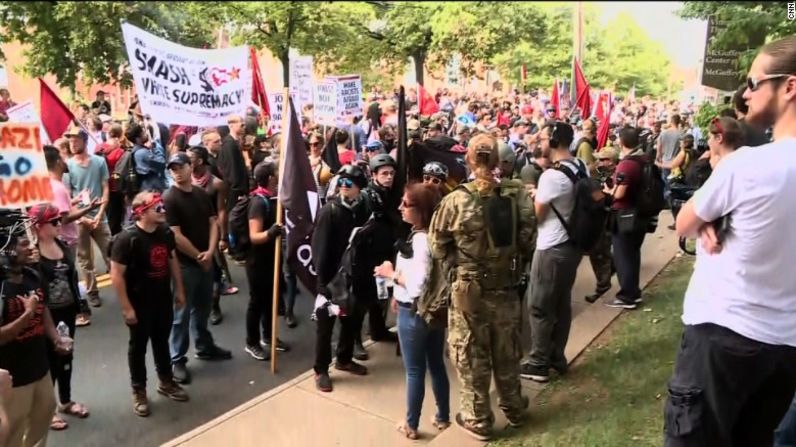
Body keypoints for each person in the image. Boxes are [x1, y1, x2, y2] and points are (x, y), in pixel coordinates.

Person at [668, 36, 796, 447]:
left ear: (789, 86)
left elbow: (685, 222)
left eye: (754, 82)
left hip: (723, 337)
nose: (745, 92)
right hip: (784, 348)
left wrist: (711, 215)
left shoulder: (748, 164)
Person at [428, 134, 535, 441]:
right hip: (507, 287)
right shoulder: (517, 197)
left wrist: (464, 263)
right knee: (507, 350)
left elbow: (437, 247)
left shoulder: (456, 200)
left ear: (470, 161)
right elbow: (528, 241)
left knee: (471, 355)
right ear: (499, 160)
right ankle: (514, 407)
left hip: (469, 294)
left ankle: (477, 419)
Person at [374, 184, 448, 440]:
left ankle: (411, 424)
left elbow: (416, 285)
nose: (400, 208)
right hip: (432, 313)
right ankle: (443, 416)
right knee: (436, 364)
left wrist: (390, 274)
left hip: (414, 314)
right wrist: (397, 291)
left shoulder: (420, 241)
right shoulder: (433, 236)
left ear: (421, 210)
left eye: (406, 204)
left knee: (415, 371)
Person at [110, 192, 189, 417]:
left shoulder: (165, 233)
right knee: (138, 347)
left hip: (162, 298)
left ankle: (166, 381)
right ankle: (139, 390)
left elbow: (172, 259)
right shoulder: (127, 239)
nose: (163, 211)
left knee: (161, 341)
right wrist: (127, 308)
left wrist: (180, 290)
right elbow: (116, 274)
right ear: (142, 212)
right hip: (139, 302)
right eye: (158, 208)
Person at [521, 122, 585, 383]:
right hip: (572, 246)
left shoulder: (551, 175)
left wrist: (533, 199)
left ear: (555, 141)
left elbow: (538, 215)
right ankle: (557, 356)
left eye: (544, 137)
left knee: (539, 305)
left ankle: (538, 362)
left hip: (551, 248)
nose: (540, 142)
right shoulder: (578, 165)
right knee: (561, 303)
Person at [163, 153, 231, 385]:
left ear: (190, 167)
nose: (176, 172)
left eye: (180, 167)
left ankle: (204, 345)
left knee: (202, 309)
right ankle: (177, 358)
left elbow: (213, 222)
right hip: (185, 265)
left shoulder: (201, 194)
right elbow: (175, 234)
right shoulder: (170, 198)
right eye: (172, 168)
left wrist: (211, 251)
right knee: (181, 314)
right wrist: (198, 255)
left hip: (205, 260)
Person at [0, 224, 71, 447]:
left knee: (44, 414)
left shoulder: (32, 275)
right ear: (5, 252)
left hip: (40, 368)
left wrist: (55, 338)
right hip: (14, 379)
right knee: (13, 428)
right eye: (23, 244)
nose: (30, 247)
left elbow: (44, 310)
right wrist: (27, 314)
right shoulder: (1, 289)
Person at [28, 204, 90, 431]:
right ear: (39, 226)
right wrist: (30, 264)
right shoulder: (31, 253)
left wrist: (81, 305)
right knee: (48, 362)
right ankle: (48, 409)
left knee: (66, 355)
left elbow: (73, 277)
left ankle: (65, 400)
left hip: (67, 310)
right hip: (46, 314)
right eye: (53, 222)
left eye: (58, 220)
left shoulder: (62, 245)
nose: (59, 224)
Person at [311, 165, 371, 392]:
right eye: (341, 182)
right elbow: (320, 249)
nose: (344, 187)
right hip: (332, 278)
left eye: (350, 183)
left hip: (355, 276)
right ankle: (321, 369)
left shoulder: (364, 208)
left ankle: (344, 359)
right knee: (325, 326)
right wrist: (322, 283)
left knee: (352, 321)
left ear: (359, 188)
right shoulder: (330, 211)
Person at [45, 145, 98, 327]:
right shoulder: (58, 187)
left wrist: (76, 200)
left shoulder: (54, 186)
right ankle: (78, 312)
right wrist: (88, 208)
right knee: (69, 276)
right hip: (65, 239)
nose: (65, 159)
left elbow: (62, 208)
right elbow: (64, 217)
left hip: (63, 239)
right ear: (58, 161)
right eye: (62, 156)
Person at [243, 162, 289, 361]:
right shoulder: (258, 202)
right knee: (257, 302)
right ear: (270, 178)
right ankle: (252, 342)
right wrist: (271, 233)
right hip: (257, 262)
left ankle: (268, 336)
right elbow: (254, 236)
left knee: (271, 299)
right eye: (276, 173)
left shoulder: (271, 200)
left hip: (272, 257)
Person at [64, 124, 111, 308]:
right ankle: (92, 292)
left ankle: (125, 286)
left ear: (84, 140)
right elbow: (68, 198)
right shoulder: (67, 167)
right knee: (85, 260)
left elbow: (105, 187)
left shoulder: (99, 162)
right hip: (80, 219)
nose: (72, 143)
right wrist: (82, 218)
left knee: (110, 254)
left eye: (76, 139)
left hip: (100, 216)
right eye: (70, 140)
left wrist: (99, 213)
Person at [602, 127, 647, 310]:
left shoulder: (627, 164)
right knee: (632, 255)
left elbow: (619, 193)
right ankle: (633, 292)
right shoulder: (644, 159)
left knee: (623, 257)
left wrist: (607, 191)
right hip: (639, 214)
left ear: (621, 142)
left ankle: (626, 296)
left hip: (626, 216)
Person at [187, 146, 229, 326]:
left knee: (214, 271)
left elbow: (221, 210)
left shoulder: (216, 183)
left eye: (190, 159)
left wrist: (223, 236)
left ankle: (214, 306)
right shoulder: (185, 182)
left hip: (211, 232)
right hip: (191, 233)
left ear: (200, 161)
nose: (187, 162)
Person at [585, 148, 618, 303]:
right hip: (604, 218)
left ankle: (603, 285)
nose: (598, 162)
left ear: (610, 161)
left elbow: (606, 198)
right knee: (601, 252)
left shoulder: (612, 175)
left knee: (598, 253)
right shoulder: (602, 173)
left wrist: (595, 194)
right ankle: (613, 266)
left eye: (602, 159)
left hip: (605, 219)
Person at [96, 124, 127, 235]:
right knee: (115, 217)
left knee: (104, 213)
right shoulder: (120, 151)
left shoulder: (98, 147)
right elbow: (122, 170)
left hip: (101, 184)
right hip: (115, 186)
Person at [218, 115, 250, 213]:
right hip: (235, 193)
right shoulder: (229, 144)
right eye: (241, 125)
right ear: (231, 126)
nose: (244, 127)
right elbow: (232, 170)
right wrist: (238, 191)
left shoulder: (234, 142)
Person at [127, 122, 167, 193]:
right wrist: (155, 147)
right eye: (143, 133)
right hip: (152, 186)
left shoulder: (137, 151)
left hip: (146, 186)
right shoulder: (143, 152)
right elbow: (161, 162)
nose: (146, 134)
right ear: (137, 138)